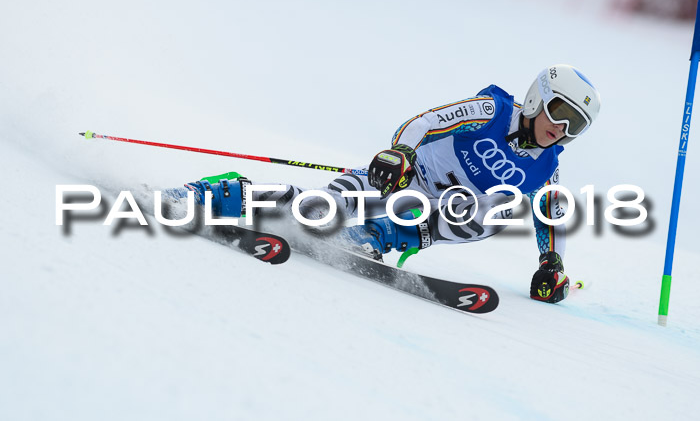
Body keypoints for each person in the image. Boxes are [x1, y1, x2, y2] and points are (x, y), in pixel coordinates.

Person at [170, 64, 601, 304]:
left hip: (434, 211)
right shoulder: (492, 109)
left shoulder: (546, 167)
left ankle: (371, 236)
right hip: (404, 177)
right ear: (536, 97)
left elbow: (551, 215)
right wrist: (401, 152)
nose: (561, 128)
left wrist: (552, 265)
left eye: (575, 125)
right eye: (559, 112)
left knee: (498, 213)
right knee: (322, 207)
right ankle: (219, 193)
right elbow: (427, 122)